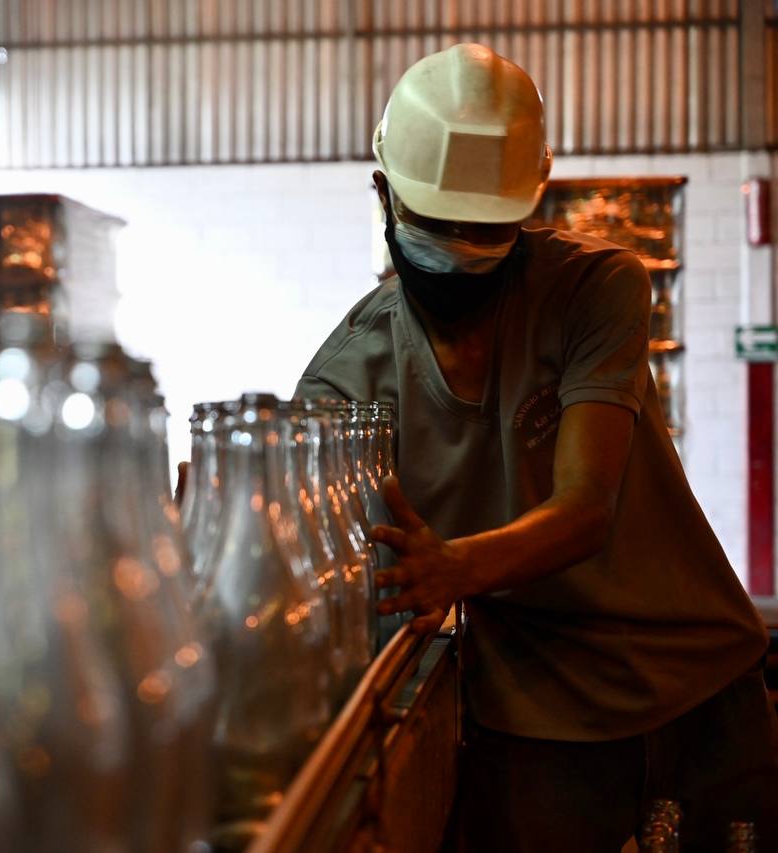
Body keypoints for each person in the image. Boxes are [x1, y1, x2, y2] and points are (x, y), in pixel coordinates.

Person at [295, 44, 778, 852]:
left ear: (531, 201)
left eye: (484, 228)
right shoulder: (347, 382)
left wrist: (453, 567)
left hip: (696, 689)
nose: (460, 246)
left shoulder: (596, 287)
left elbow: (586, 508)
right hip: (539, 726)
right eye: (439, 223)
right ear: (383, 193)